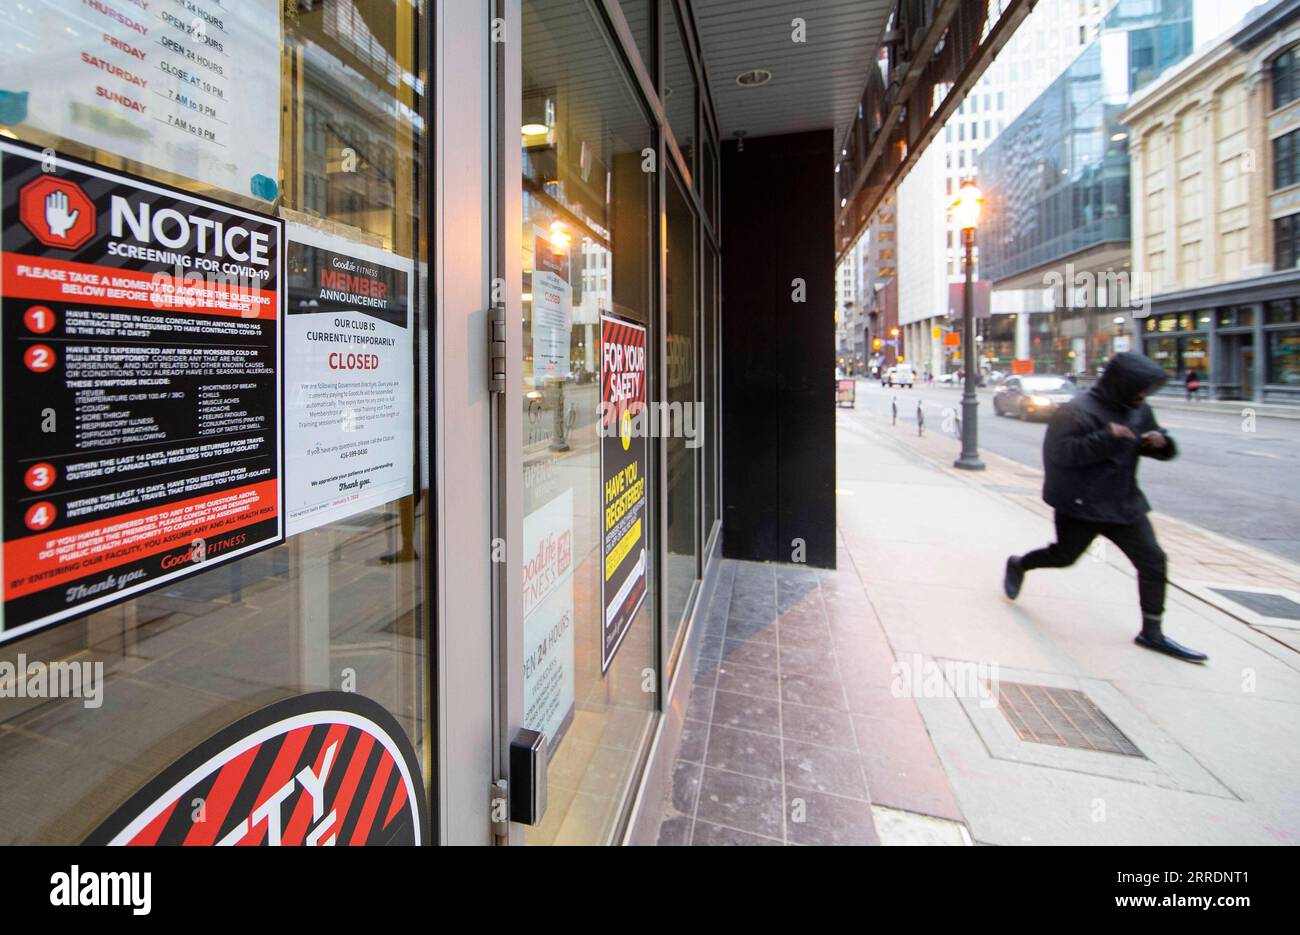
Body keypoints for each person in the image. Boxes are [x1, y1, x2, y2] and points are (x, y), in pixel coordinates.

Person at [1002, 352, 1207, 663]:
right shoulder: (1075, 411)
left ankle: (1152, 631)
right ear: (1122, 383)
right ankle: (1020, 564)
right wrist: (1106, 437)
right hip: (1080, 505)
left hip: (1124, 503)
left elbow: (1152, 442)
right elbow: (1060, 456)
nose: (1144, 395)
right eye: (1140, 388)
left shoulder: (1138, 409)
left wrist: (1161, 444)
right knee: (1064, 557)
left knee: (1153, 560)